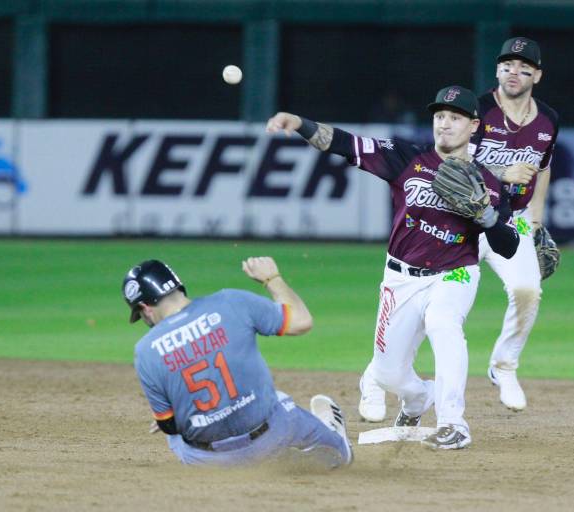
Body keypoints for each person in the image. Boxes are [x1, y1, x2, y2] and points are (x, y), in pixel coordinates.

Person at [266, 85, 520, 450]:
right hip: (400, 277)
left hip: (456, 273)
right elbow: (346, 144)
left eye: (454, 118)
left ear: (474, 125)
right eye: (439, 117)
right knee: (388, 373)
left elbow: (507, 247)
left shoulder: (491, 183)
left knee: (443, 324)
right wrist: (300, 124)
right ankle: (419, 398)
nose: (444, 125)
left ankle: (453, 423)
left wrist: (488, 216)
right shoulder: (407, 158)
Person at [125, 257, 353, 468]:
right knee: (281, 401)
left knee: (174, 435)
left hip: (209, 462)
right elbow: (302, 321)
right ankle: (335, 445)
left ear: (145, 307)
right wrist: (272, 279)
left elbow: (168, 425)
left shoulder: (144, 350)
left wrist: (184, 419)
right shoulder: (230, 301)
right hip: (269, 437)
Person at [470, 37, 560, 411]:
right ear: (497, 70)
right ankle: (384, 374)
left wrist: (536, 218)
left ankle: (503, 366)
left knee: (527, 290)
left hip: (511, 220)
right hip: (465, 220)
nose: (514, 72)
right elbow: (447, 163)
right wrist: (500, 171)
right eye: (507, 65)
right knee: (438, 305)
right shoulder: (476, 109)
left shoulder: (548, 119)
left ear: (536, 75)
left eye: (524, 67)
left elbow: (543, 168)